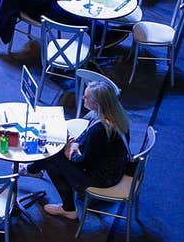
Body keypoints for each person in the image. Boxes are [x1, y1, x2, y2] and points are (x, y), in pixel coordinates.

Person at [25, 82, 130, 219]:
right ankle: (32, 169)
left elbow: (84, 162)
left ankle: (68, 208)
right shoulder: (114, 115)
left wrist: (69, 152)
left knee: (52, 156)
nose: (82, 99)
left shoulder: (100, 130)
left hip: (102, 179)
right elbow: (87, 134)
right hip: (114, 168)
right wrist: (75, 144)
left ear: (97, 103)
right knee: (54, 156)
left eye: (86, 97)